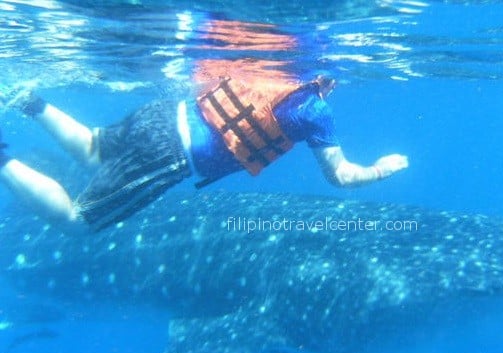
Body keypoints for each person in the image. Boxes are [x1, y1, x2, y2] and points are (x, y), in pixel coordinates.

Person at [0, 74, 408, 234]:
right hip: (174, 155)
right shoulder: (315, 111)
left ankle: (28, 101)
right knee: (77, 221)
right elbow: (342, 177)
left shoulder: (268, 63)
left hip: (163, 114)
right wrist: (380, 169)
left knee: (92, 147)